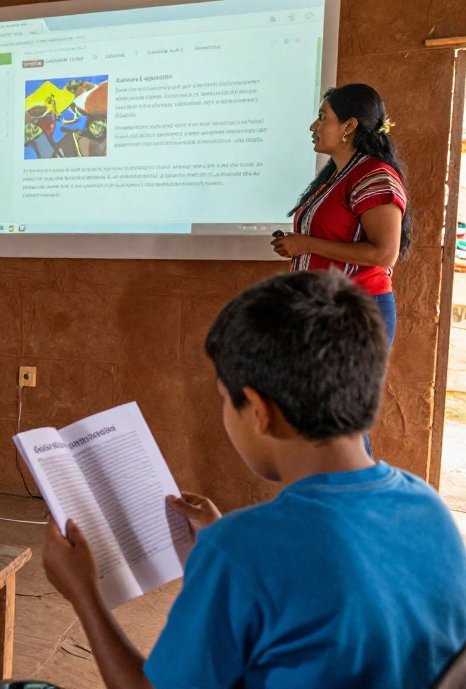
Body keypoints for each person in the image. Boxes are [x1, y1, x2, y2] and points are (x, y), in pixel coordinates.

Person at [42, 270, 466, 688]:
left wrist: (85, 596)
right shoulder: (429, 508)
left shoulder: (240, 553)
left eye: (226, 401)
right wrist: (224, 536)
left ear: (262, 412)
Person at [273, 83, 409, 347]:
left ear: (348, 126)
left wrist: (307, 244)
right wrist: (297, 245)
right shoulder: (337, 175)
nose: (314, 126)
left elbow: (384, 254)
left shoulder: (374, 176)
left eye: (323, 117)